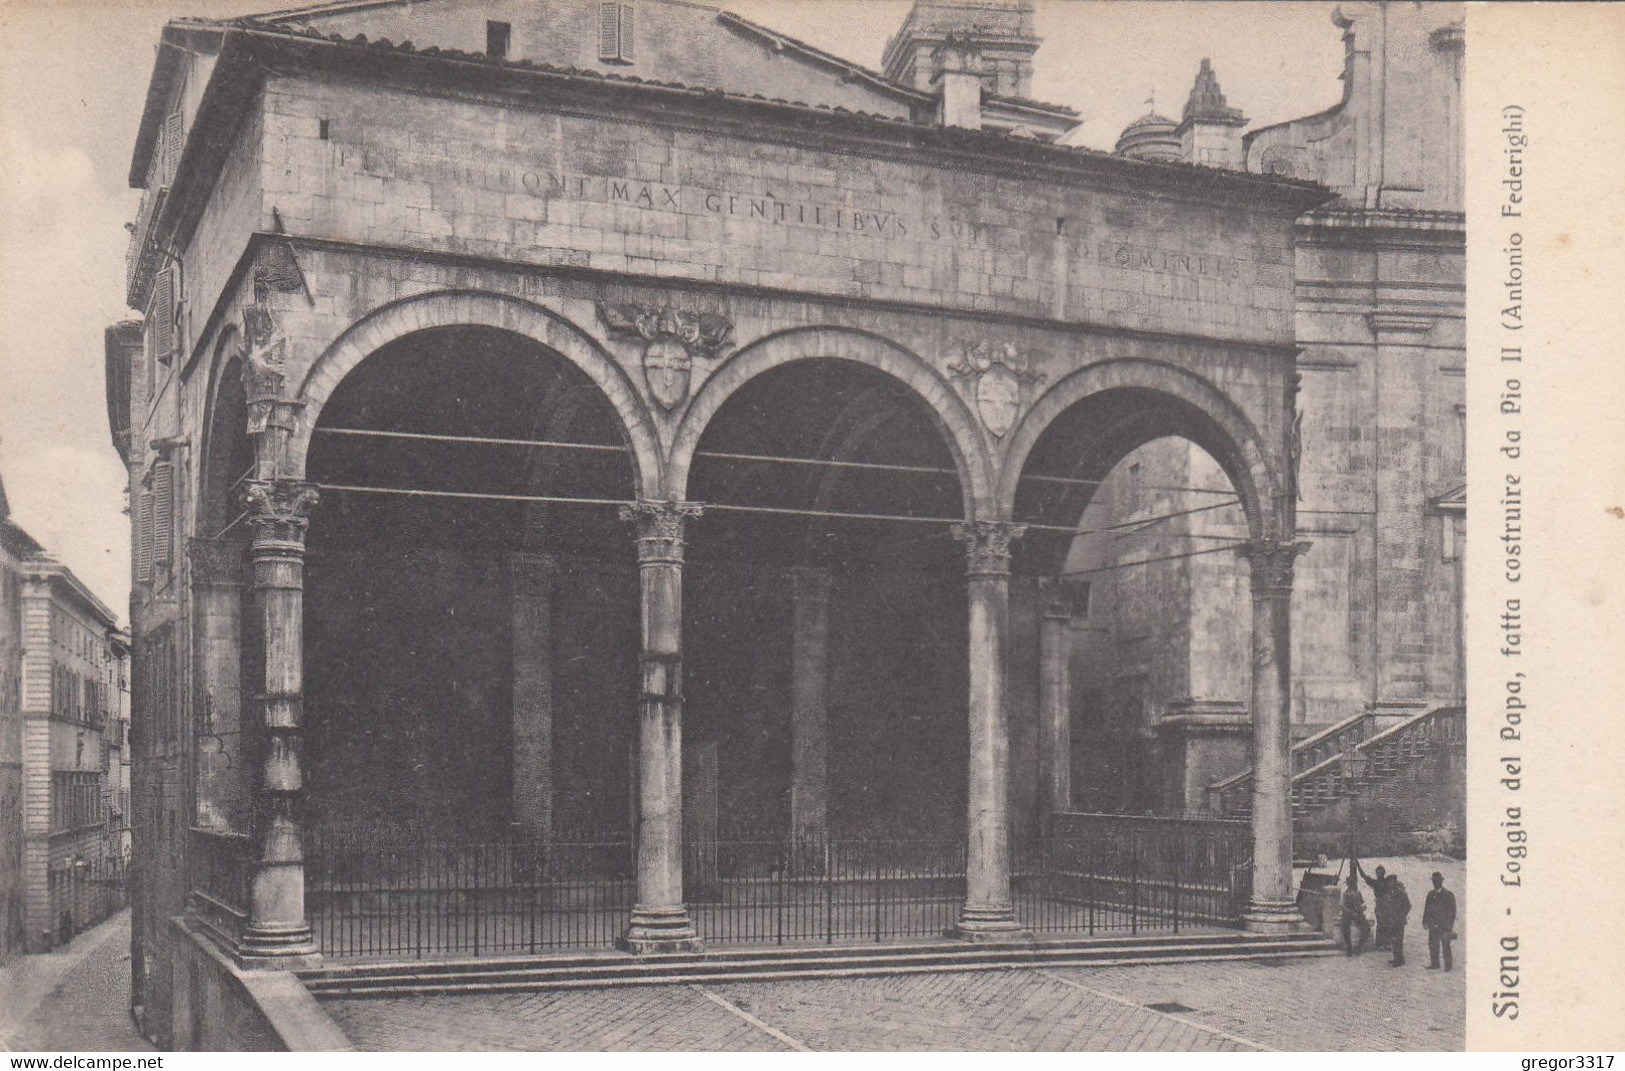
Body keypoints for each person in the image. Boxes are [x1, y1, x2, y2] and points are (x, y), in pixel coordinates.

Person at [1423, 871, 1458, 971]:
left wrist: (1449, 926)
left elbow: (1453, 912)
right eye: (1434, 881)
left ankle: (1448, 966)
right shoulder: (1430, 895)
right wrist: (1425, 921)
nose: (1435, 883)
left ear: (1441, 882)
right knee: (1433, 945)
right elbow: (1427, 909)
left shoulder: (1448, 895)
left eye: (1437, 881)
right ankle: (1435, 964)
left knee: (1446, 946)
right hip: (1433, 924)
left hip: (1444, 925)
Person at [1356, 860, 1394, 950]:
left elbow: (1365, 877)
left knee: (1386, 924)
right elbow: (1364, 877)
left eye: (1380, 872)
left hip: (1385, 905)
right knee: (1382, 923)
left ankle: (1385, 944)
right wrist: (1359, 867)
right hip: (1382, 905)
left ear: (1383, 873)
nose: (1378, 874)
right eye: (1378, 872)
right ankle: (1382, 944)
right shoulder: (1378, 883)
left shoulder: (1384, 882)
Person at [1340, 875, 1370, 955]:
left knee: (1367, 928)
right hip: (1348, 914)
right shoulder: (1345, 894)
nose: (1351, 884)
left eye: (1352, 883)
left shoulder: (1358, 893)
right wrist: (1351, 913)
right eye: (1349, 883)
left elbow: (1363, 904)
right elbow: (1343, 906)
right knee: (1345, 928)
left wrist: (1363, 908)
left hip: (1358, 913)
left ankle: (1359, 947)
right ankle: (1349, 949)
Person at [1386, 876, 1412, 967]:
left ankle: (1399, 960)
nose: (1390, 884)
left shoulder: (1401, 893)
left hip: (1399, 921)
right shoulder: (1389, 893)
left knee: (1398, 940)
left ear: (1395, 882)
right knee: (1393, 940)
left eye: (1392, 882)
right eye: (1389, 882)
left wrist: (1401, 915)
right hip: (1392, 920)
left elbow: (1408, 905)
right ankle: (1396, 958)